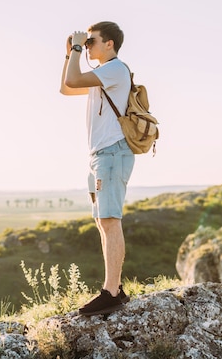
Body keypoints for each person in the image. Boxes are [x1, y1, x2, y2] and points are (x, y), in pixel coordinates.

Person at [60, 21, 135, 316]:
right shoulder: (101, 75)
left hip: (113, 152)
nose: (89, 45)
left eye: (93, 40)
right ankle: (114, 289)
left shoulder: (115, 69)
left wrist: (78, 48)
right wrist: (70, 53)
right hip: (100, 154)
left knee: (110, 219)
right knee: (103, 221)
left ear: (110, 44)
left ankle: (112, 292)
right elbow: (67, 87)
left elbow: (75, 81)